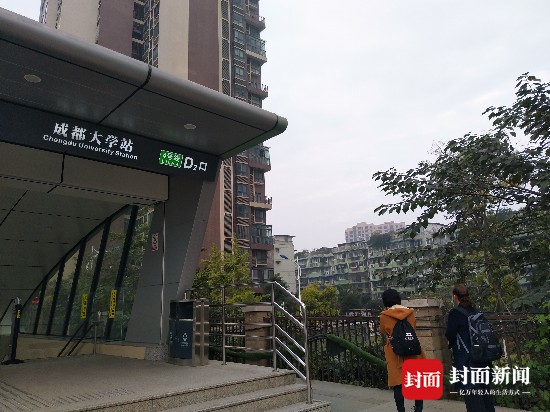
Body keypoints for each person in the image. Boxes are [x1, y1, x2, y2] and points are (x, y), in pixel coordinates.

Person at [445, 284, 495, 412]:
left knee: (472, 396)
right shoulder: (477, 312)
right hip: (483, 358)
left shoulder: (455, 313)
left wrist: (452, 344)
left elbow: (450, 334)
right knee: (485, 393)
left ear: (455, 297)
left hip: (467, 360)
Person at [380, 288, 425, 412]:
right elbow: (413, 328)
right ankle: (418, 409)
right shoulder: (410, 313)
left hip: (395, 354)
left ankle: (401, 410)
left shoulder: (385, 316)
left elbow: (383, 330)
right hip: (413, 351)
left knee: (398, 384)